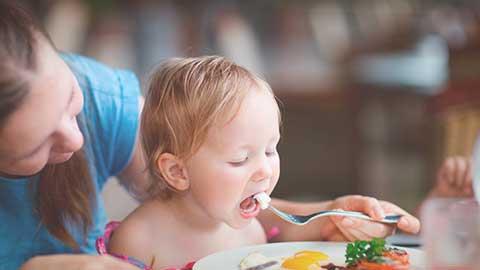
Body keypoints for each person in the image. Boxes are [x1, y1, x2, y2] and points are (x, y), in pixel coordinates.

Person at [0, 2, 419, 270]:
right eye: (37, 145)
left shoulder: (101, 97)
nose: (76, 141)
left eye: (71, 99)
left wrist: (324, 217)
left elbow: (203, 205)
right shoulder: (139, 240)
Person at [103, 56, 420, 270]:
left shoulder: (253, 228)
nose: (266, 170)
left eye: (270, 151)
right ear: (177, 171)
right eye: (240, 159)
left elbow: (312, 231)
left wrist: (351, 219)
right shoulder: (138, 240)